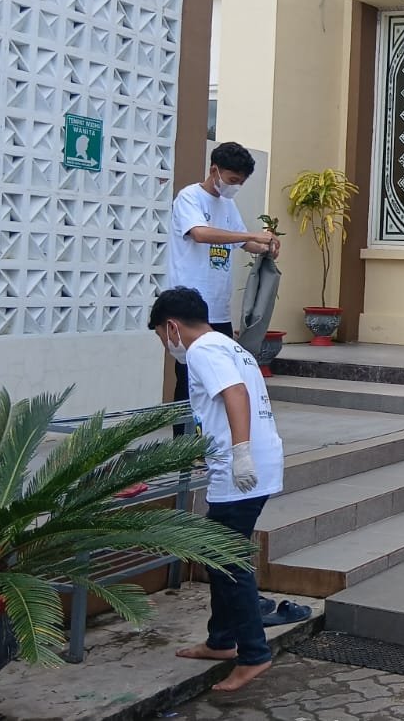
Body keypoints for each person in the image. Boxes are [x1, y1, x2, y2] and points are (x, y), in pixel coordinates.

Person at [150, 286, 285, 693]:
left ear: (172, 326)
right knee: (218, 556)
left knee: (228, 563)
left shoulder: (202, 351)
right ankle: (221, 640)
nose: (166, 345)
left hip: (241, 470)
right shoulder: (228, 345)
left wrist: (240, 452)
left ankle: (253, 655)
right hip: (257, 463)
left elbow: (235, 394)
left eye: (161, 336)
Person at [168, 142, 279, 401]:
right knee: (190, 376)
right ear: (214, 170)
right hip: (190, 306)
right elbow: (200, 233)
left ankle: (215, 427)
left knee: (221, 376)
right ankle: (185, 427)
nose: (235, 186)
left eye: (240, 182)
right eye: (232, 180)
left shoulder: (228, 205)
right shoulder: (189, 197)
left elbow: (244, 243)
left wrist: (266, 246)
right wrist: (251, 235)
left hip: (219, 308)